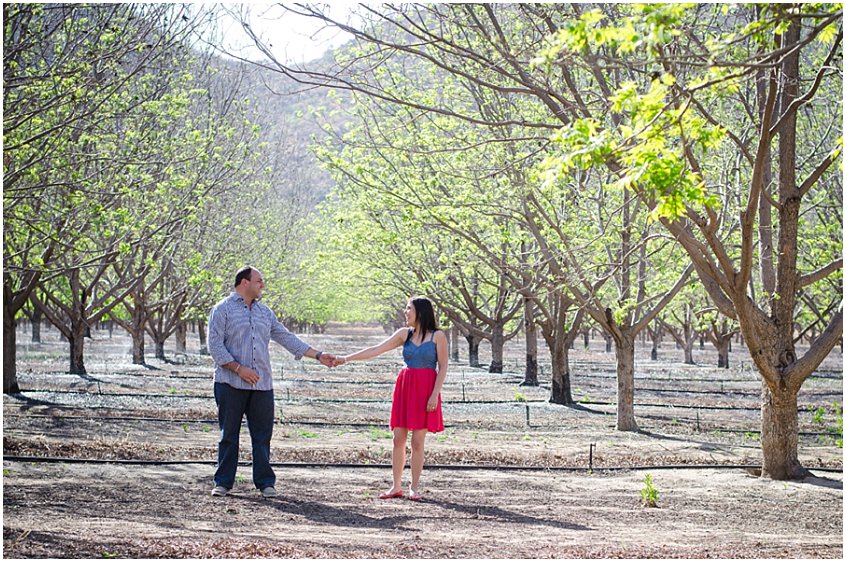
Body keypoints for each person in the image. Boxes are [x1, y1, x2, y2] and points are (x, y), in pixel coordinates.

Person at [207, 266, 337, 498]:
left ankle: (265, 482)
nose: (263, 285)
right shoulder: (222, 310)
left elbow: (285, 337)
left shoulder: (265, 313)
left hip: (261, 385)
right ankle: (224, 482)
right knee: (229, 435)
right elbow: (215, 347)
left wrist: (317, 355)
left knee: (262, 435)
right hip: (230, 383)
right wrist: (239, 369)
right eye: (259, 281)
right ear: (244, 283)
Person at [338, 296, 447, 501]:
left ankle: (414, 487)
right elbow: (375, 350)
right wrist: (346, 358)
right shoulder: (404, 334)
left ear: (421, 312)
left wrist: (434, 394)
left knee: (417, 441)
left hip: (426, 389)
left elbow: (443, 367)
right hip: (405, 387)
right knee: (398, 439)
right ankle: (396, 486)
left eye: (409, 309)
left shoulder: (438, 336)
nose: (406, 312)